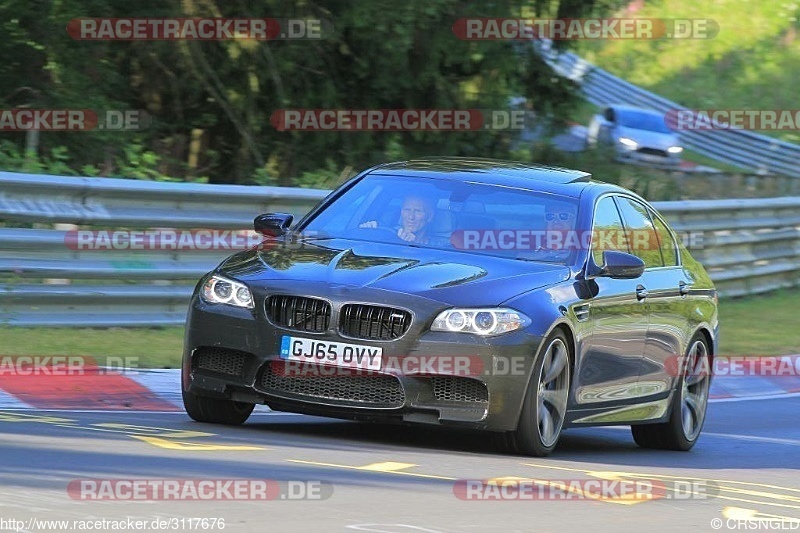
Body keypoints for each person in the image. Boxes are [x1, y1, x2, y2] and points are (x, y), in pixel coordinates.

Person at [359, 195, 435, 244]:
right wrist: (366, 232)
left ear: (429, 216)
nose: (411, 217)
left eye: (418, 211)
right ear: (401, 212)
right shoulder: (386, 235)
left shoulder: (437, 245)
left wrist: (413, 244)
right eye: (407, 210)